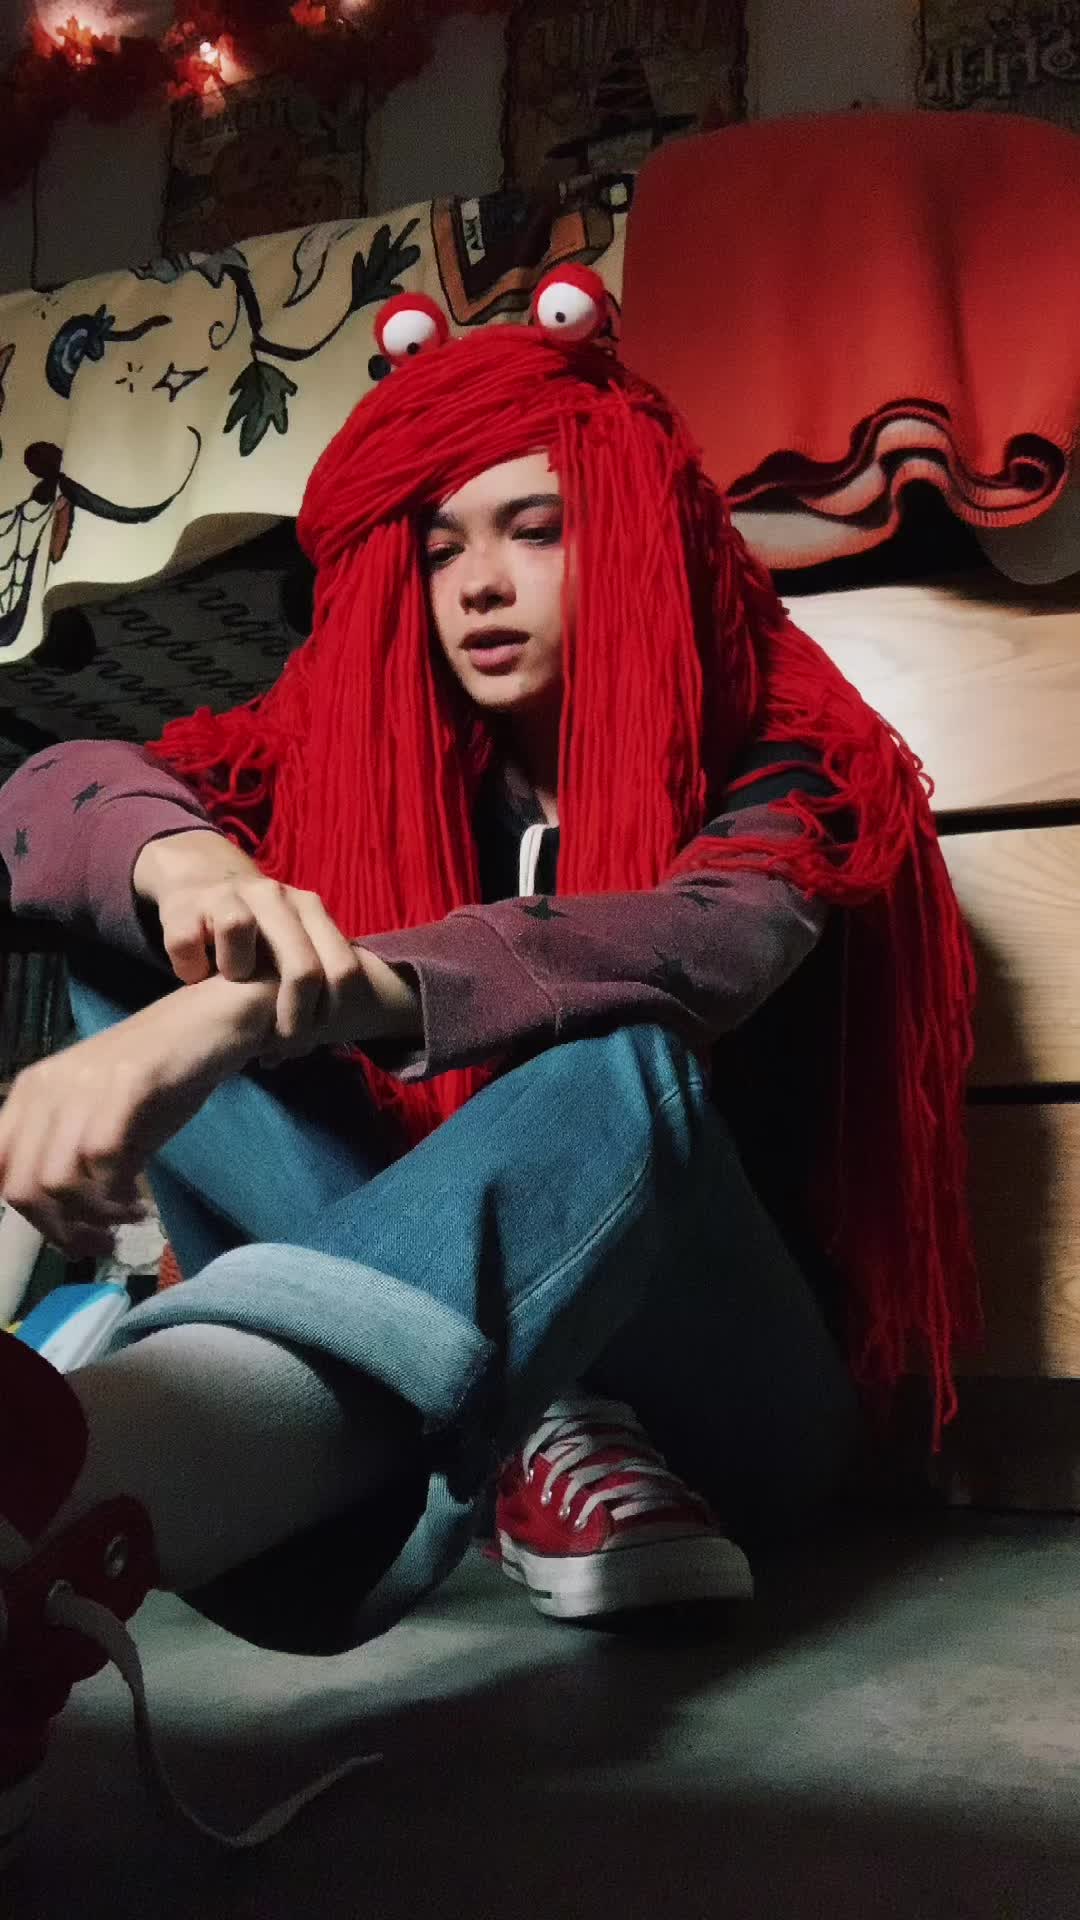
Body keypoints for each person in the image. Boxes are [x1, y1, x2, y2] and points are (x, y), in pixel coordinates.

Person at [0, 271, 977, 1855]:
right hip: (455, 1332)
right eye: (442, 545)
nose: (480, 587)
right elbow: (53, 791)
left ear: (629, 528)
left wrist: (257, 1008)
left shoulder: (782, 731)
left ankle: (123, 1463)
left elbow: (703, 945)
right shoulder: (365, 734)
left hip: (732, 1397)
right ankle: (105, 1511)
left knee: (623, 1045)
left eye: (535, 529)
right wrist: (190, 872)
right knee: (140, 939)